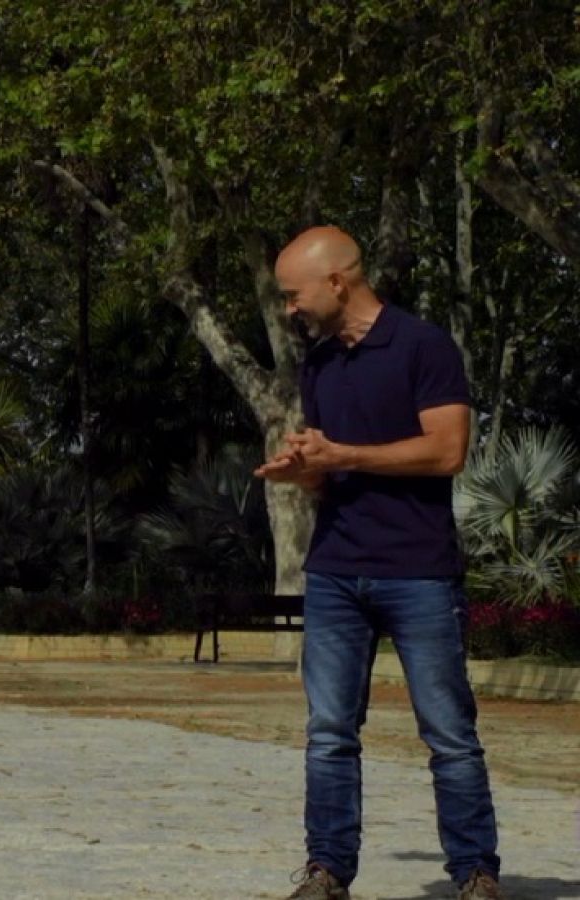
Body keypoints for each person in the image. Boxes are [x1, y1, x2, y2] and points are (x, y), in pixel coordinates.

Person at [256, 226, 501, 900]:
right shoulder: (319, 364)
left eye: (294, 294)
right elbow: (329, 476)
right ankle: (327, 872)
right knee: (329, 733)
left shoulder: (425, 346)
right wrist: (304, 471)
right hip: (335, 570)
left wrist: (345, 456)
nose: (290, 308)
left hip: (419, 571)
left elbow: (447, 452)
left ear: (338, 282)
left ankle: (476, 873)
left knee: (449, 734)